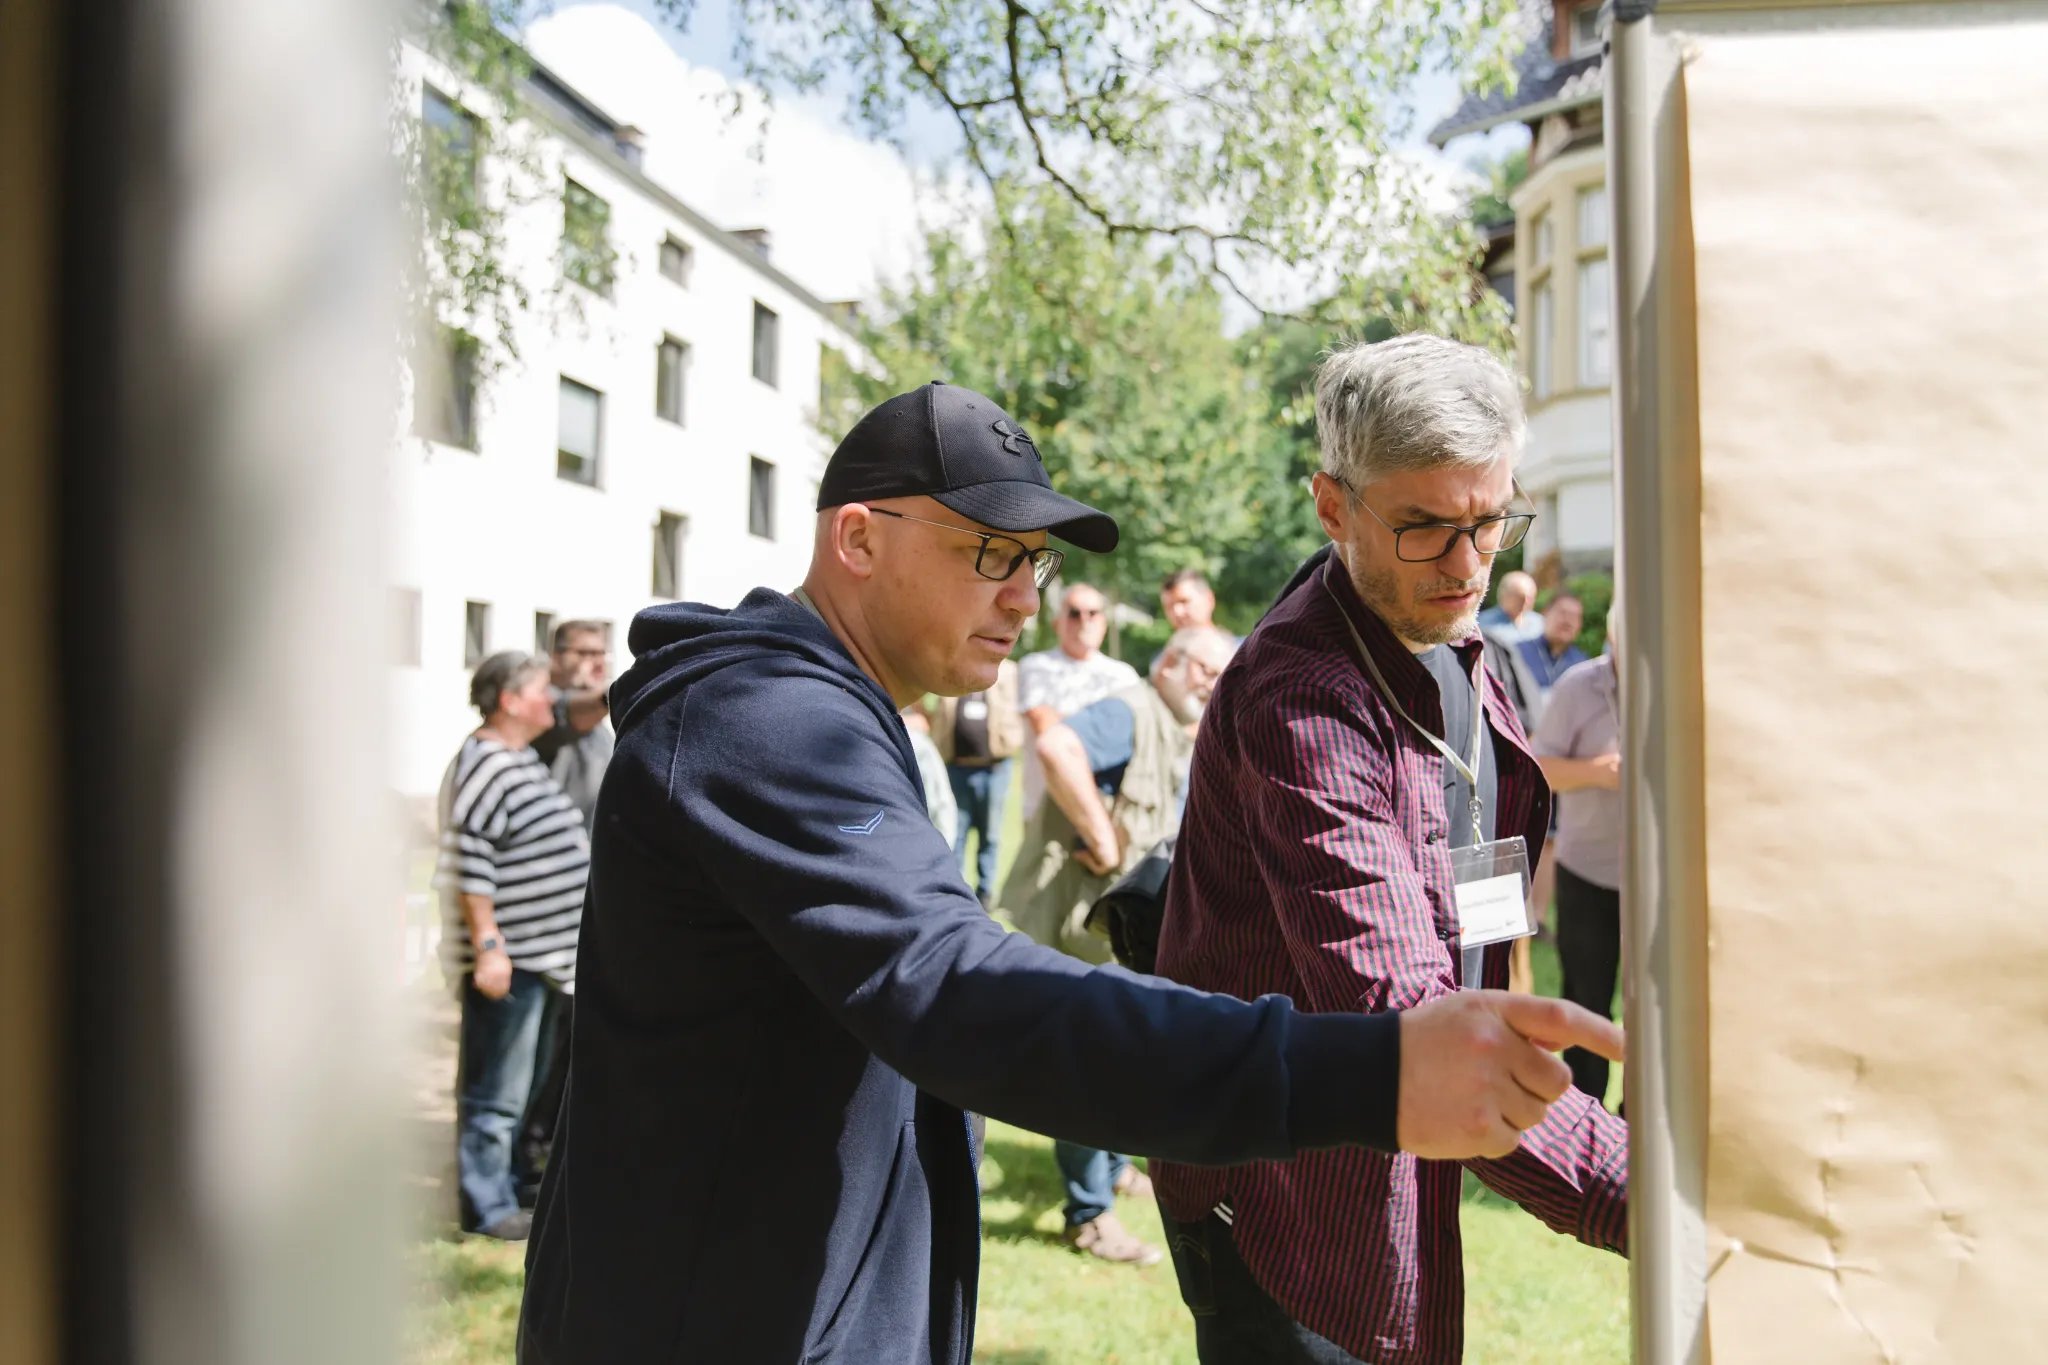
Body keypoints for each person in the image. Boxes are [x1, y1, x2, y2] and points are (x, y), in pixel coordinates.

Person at [515, 379, 1625, 1365]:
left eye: (1035, 562)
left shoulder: (827, 712)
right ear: (857, 538)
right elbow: (957, 991)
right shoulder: (767, 724)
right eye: (990, 554)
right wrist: (1371, 1070)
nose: (1025, 597)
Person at [1152, 335, 1629, 1363]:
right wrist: (1643, 1191)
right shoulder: (1301, 701)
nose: (1465, 564)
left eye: (1489, 521)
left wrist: (1506, 983)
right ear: (1333, 507)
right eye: (1423, 528)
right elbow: (1404, 1017)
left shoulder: (1451, 637)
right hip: (1289, 1197)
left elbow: (1484, 840)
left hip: (1409, 1153)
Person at [999, 624, 1236, 1265]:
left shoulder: (1173, 722)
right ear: (1169, 664)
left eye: (1220, 674)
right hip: (1083, 922)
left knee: (1125, 1050)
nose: (1212, 684)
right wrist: (1103, 837)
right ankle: (1089, 1214)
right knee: (1094, 1058)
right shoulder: (1131, 708)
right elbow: (1055, 745)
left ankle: (1112, 1168)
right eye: (1204, 669)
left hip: (1117, 926)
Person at [433, 651, 589, 1242]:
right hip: (511, 959)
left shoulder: (519, 758)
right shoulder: (484, 763)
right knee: (496, 1089)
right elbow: (466, 860)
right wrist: (489, 947)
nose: (552, 699)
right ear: (510, 700)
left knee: (525, 1084)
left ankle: (513, 1184)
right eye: (542, 689)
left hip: (542, 959)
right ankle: (485, 1204)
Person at [514, 620, 613, 1205]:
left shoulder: (601, 729)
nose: (595, 661)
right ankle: (515, 1160)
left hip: (586, 902)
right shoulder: (547, 710)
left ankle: (544, 1148)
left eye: (602, 652)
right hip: (537, 910)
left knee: (569, 1042)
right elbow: (576, 709)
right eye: (583, 652)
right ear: (556, 656)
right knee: (529, 1047)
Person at [1532, 623, 1625, 1105]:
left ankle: (1641, 1121)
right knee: (1587, 1003)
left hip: (1663, 883)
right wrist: (1597, 773)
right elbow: (1539, 767)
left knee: (1662, 1011)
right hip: (1588, 873)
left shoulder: (1681, 682)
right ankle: (1586, 1117)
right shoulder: (1578, 686)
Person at [1016, 580, 1138, 814]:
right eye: (1074, 613)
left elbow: (1132, 738)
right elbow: (1045, 727)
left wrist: (1067, 726)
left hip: (1108, 805)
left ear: (1103, 622)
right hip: (1048, 806)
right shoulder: (1037, 667)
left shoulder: (1124, 676)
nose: (1084, 620)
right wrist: (1103, 732)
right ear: (1057, 623)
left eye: (1093, 613)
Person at [926, 657, 1024, 904]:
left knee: (990, 835)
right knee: (954, 832)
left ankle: (986, 892)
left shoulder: (1007, 671)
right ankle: (956, 891)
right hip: (956, 767)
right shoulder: (951, 665)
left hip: (994, 768)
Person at [1517, 591, 1588, 694]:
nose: (1568, 621)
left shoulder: (1582, 665)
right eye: (1563, 613)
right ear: (1545, 614)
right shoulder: (1518, 653)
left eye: (1574, 616)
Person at [1477, 568, 1545, 641]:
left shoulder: (1540, 624)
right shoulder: (1483, 624)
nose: (1526, 602)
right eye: (1520, 598)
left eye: (1530, 598)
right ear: (1504, 596)